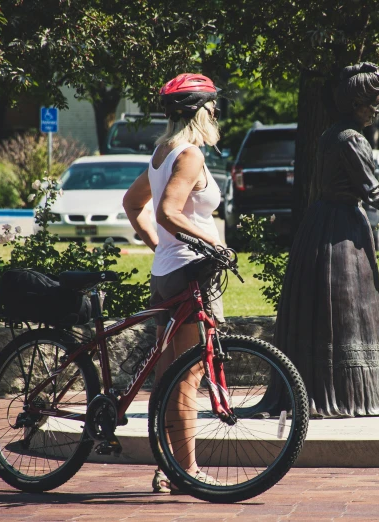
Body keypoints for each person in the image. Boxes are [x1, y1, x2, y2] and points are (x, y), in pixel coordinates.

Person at [270, 63, 379, 418]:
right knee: (348, 314)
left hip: (320, 226)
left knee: (329, 313)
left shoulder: (329, 134)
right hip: (341, 236)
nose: (377, 109)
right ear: (353, 104)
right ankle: (351, 396)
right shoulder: (352, 139)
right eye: (372, 103)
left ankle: (313, 389)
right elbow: (376, 194)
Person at [122, 73, 225, 493]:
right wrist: (214, 244)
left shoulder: (162, 152)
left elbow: (133, 205)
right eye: (213, 107)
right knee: (189, 375)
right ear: (200, 111)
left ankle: (169, 467)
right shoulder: (189, 156)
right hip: (190, 274)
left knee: (169, 375)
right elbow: (167, 212)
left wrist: (158, 247)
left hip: (167, 271)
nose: (216, 113)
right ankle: (188, 471)